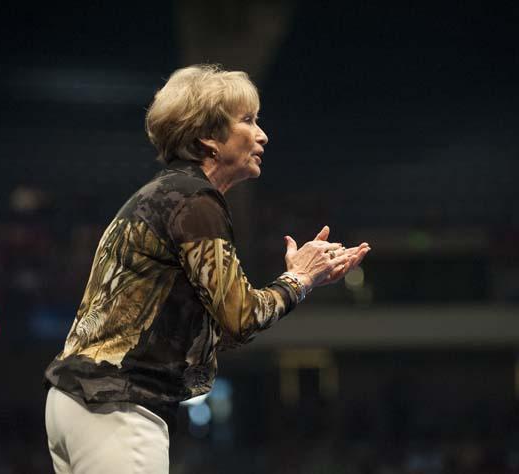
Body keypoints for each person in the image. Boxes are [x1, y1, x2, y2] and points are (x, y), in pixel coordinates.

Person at [43, 64, 370, 473]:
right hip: (118, 404)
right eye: (248, 120)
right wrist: (299, 279)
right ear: (208, 137)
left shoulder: (163, 195)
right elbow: (241, 318)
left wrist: (303, 279)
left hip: (75, 402)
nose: (262, 134)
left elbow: (213, 330)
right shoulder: (196, 202)